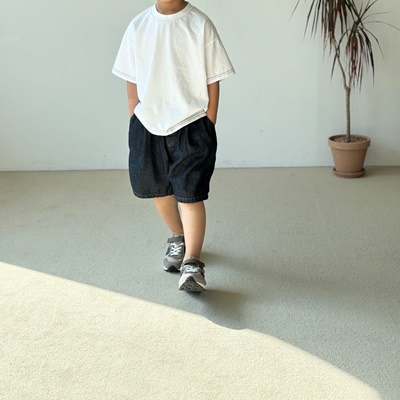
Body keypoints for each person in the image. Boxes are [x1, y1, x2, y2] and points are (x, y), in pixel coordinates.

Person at [112, 0, 235, 291]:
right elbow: (131, 79)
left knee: (190, 194)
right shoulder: (139, 26)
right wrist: (135, 118)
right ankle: (178, 236)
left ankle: (193, 262)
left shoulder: (199, 24)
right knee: (157, 189)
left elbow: (213, 78)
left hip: (191, 122)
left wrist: (208, 121)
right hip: (147, 123)